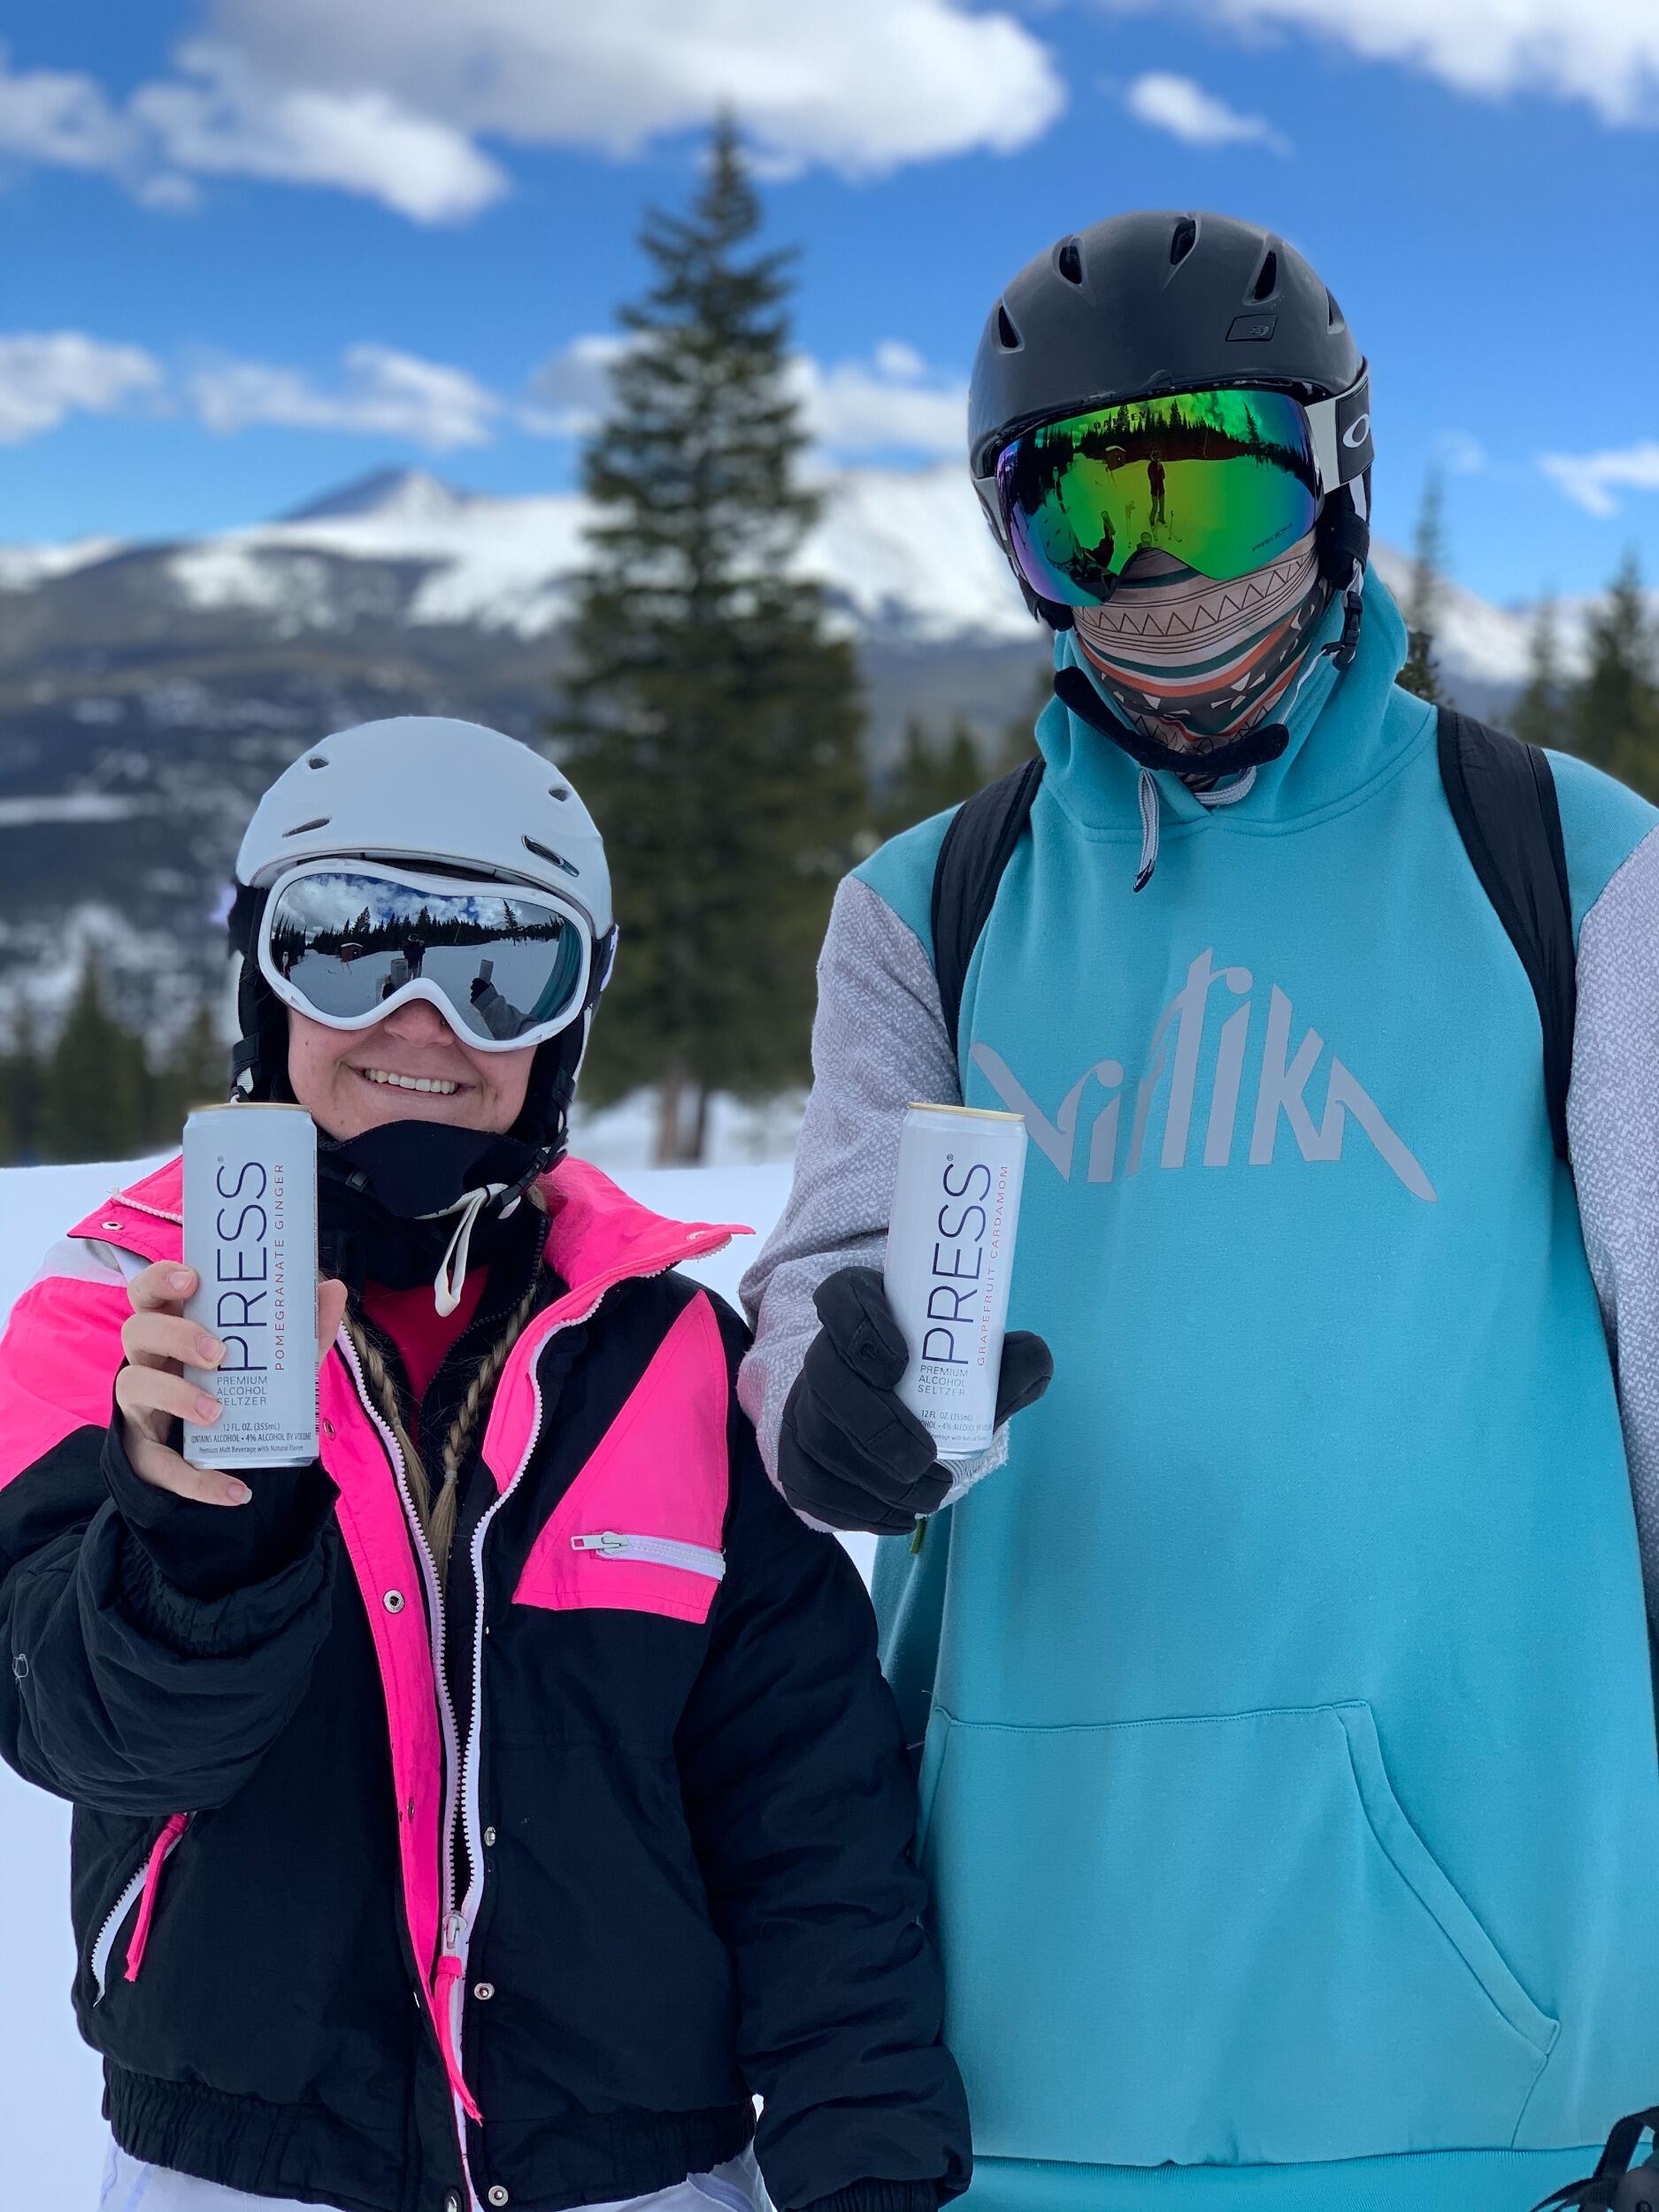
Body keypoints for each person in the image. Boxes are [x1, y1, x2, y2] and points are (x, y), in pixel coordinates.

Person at [740, 210, 1659, 2212]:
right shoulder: (928, 904)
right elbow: (821, 1283)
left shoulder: (1562, 862)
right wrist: (828, 1396)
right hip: (1015, 2022)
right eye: (1084, 504)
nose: (1154, 572)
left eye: (1210, 479)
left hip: (1482, 2043)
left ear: (1329, 480)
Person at [0, 716, 970, 2212]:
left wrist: (866, 2153)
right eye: (351, 950)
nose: (421, 1022)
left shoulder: (669, 1356)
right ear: (263, 985)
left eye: (502, 971)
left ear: (563, 1031)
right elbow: (85, 1734)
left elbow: (804, 1803)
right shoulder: (115, 1320)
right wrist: (198, 1544)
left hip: (639, 2171)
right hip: (246, 2169)